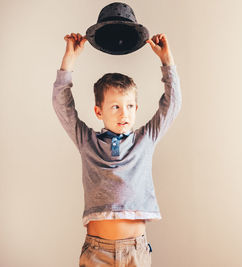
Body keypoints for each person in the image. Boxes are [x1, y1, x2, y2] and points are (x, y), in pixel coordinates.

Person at [52, 32, 182, 266]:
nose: (125, 113)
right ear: (98, 111)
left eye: (130, 106)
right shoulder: (87, 141)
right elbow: (62, 104)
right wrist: (68, 60)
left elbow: (172, 104)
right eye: (115, 106)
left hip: (135, 250)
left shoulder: (145, 139)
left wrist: (167, 61)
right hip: (96, 251)